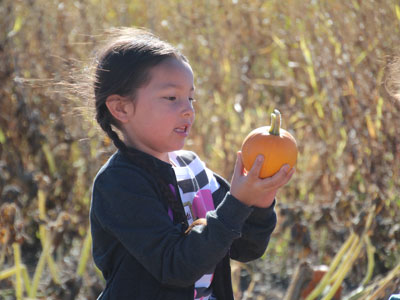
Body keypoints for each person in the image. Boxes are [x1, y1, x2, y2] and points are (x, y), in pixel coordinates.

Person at [89, 27, 295, 300]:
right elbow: (175, 266)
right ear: (121, 108)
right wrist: (237, 203)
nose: (188, 109)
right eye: (171, 98)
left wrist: (260, 201)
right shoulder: (119, 184)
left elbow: (245, 248)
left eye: (191, 98)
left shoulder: (194, 170)